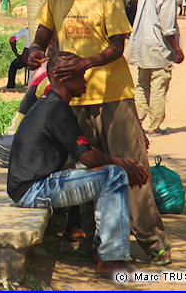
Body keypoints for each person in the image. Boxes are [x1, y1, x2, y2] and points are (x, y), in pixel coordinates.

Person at [27, 0, 171, 265]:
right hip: (76, 100)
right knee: (90, 170)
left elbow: (118, 46)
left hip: (113, 96)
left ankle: (154, 242)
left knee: (133, 168)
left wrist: (84, 63)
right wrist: (34, 52)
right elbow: (40, 39)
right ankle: (101, 244)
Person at [8, 51, 150, 278]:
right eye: (80, 77)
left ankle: (101, 247)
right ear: (64, 79)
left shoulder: (51, 103)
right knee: (114, 176)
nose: (85, 82)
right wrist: (123, 164)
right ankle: (111, 259)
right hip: (33, 191)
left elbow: (83, 157)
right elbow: (88, 157)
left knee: (101, 172)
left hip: (30, 186)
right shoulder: (56, 109)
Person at [126, 0, 184, 138]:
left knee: (142, 85)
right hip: (158, 47)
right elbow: (167, 28)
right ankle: (154, 127)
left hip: (143, 44)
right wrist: (177, 50)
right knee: (158, 86)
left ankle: (136, 122)